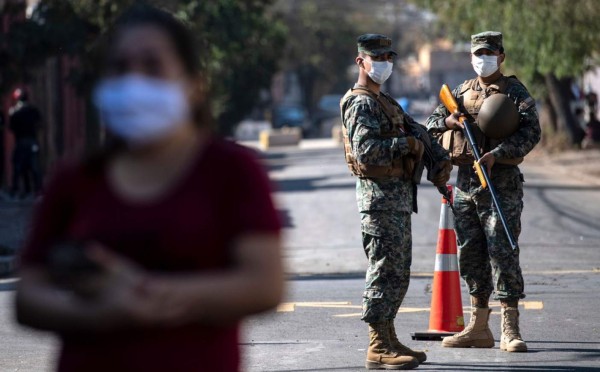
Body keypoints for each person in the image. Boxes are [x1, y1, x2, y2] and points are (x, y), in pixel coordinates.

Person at [14, 4, 283, 372]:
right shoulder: (75, 178)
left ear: (192, 83)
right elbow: (28, 296)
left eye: (152, 67)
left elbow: (265, 285)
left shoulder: (232, 171)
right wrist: (97, 313)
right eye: (120, 69)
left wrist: (148, 292)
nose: (134, 82)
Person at [340, 34, 452, 370]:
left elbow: (415, 131)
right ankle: (377, 344)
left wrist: (434, 152)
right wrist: (406, 145)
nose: (385, 63)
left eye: (389, 57)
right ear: (361, 61)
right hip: (379, 202)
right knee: (385, 270)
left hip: (397, 200)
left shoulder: (384, 101)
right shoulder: (360, 103)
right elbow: (366, 151)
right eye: (378, 57)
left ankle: (388, 337)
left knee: (398, 272)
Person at [426, 31, 541, 352]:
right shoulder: (461, 92)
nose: (483, 58)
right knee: (471, 253)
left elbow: (532, 132)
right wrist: (450, 121)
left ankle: (510, 327)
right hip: (466, 184)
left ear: (501, 56)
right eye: (478, 53)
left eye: (489, 53)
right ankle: (478, 326)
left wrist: (498, 154)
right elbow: (432, 122)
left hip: (500, 182)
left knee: (503, 250)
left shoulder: (515, 92)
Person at [9, 88, 43, 199]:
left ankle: (20, 190)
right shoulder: (33, 110)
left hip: (22, 141)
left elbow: (11, 127)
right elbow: (39, 124)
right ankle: (37, 189)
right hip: (31, 141)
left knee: (19, 166)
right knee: (34, 166)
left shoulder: (14, 112)